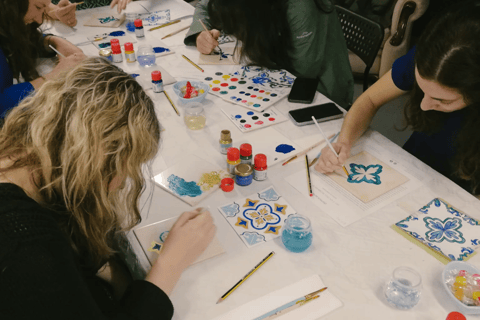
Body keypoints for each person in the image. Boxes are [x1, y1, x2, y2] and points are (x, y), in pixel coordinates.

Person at [0, 57, 216, 319]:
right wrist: (169, 266)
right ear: (98, 162)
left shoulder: (20, 163)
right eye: (128, 167)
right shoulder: (26, 252)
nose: (124, 182)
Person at [314, 0, 480, 195]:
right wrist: (343, 142)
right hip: (411, 167)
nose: (424, 105)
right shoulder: (434, 59)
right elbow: (369, 100)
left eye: (443, 101)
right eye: (420, 87)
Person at [184, 0, 354, 109]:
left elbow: (304, 70)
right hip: (270, 73)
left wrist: (253, 44)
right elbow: (205, 6)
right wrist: (201, 33)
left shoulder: (301, 6)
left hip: (318, 89)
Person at [0, 0, 85, 119]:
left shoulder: (7, 18)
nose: (40, 20)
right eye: (38, 7)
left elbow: (18, 40)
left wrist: (53, 41)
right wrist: (54, 75)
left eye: (45, 8)